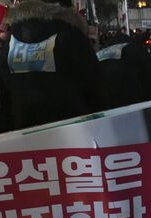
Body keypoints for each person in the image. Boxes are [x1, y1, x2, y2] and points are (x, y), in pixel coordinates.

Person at [6, 0, 104, 129]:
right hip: (71, 124)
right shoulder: (70, 33)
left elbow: (5, 79)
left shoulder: (12, 38)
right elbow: (93, 80)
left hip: (24, 125)